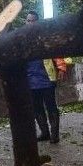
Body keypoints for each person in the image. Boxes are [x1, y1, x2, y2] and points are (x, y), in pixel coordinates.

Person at [24, 10, 68, 143]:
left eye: (33, 21)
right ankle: (44, 132)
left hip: (47, 79)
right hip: (30, 81)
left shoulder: (46, 37)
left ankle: (55, 134)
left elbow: (57, 52)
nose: (31, 23)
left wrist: (61, 68)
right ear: (25, 22)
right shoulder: (22, 39)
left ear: (38, 22)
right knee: (37, 108)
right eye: (28, 21)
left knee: (51, 107)